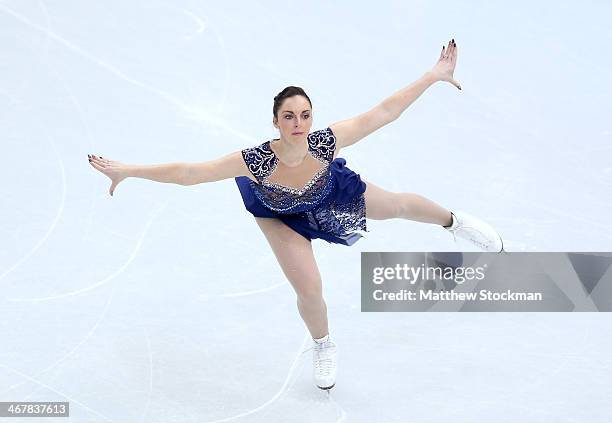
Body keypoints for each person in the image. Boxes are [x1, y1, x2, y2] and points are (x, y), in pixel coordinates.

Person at [88, 39, 503, 391]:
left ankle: (456, 222)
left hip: (327, 192)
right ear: (276, 121)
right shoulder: (257, 161)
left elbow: (383, 113)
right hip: (279, 214)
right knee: (309, 286)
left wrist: (432, 75)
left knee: (394, 205)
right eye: (289, 116)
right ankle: (323, 344)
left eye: (305, 115)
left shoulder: (324, 143)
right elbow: (190, 173)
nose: (298, 122)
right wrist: (129, 170)